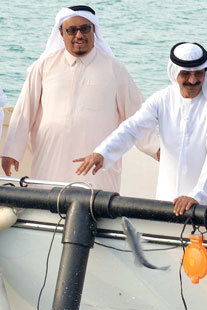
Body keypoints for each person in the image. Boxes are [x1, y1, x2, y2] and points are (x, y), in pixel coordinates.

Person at [1, 5, 157, 190]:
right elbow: (24, 112)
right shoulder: (43, 67)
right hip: (50, 162)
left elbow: (136, 116)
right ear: (61, 33)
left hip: (96, 170)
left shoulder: (115, 69)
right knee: (46, 201)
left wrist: (158, 148)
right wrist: (11, 152)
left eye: (85, 29)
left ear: (94, 30)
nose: (79, 35)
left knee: (95, 204)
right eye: (72, 30)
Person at [74, 42, 207, 216]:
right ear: (175, 73)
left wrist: (197, 196)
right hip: (170, 199)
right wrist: (103, 152)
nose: (193, 80)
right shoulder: (163, 99)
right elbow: (133, 127)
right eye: (186, 74)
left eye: (198, 73)